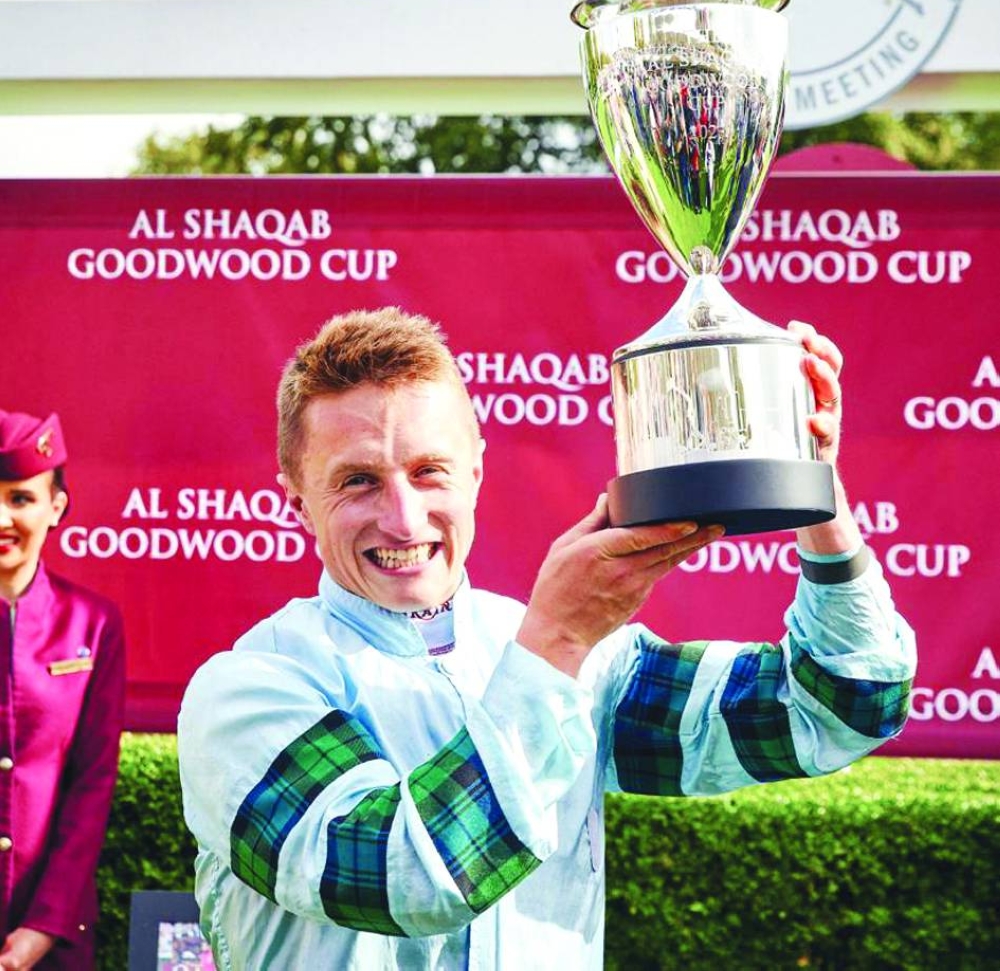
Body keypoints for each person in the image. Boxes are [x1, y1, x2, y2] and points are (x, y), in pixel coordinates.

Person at [178, 309, 915, 971]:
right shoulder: (248, 689)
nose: (403, 518)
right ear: (298, 501)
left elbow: (841, 707)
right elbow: (405, 878)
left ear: (476, 471)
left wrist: (812, 486)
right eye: (358, 481)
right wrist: (558, 637)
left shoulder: (572, 656)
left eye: (429, 471)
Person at [0, 410, 125, 971]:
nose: (2, 517)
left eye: (20, 498)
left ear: (55, 507)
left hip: (50, 933)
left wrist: (43, 928)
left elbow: (92, 781)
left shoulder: (92, 623)